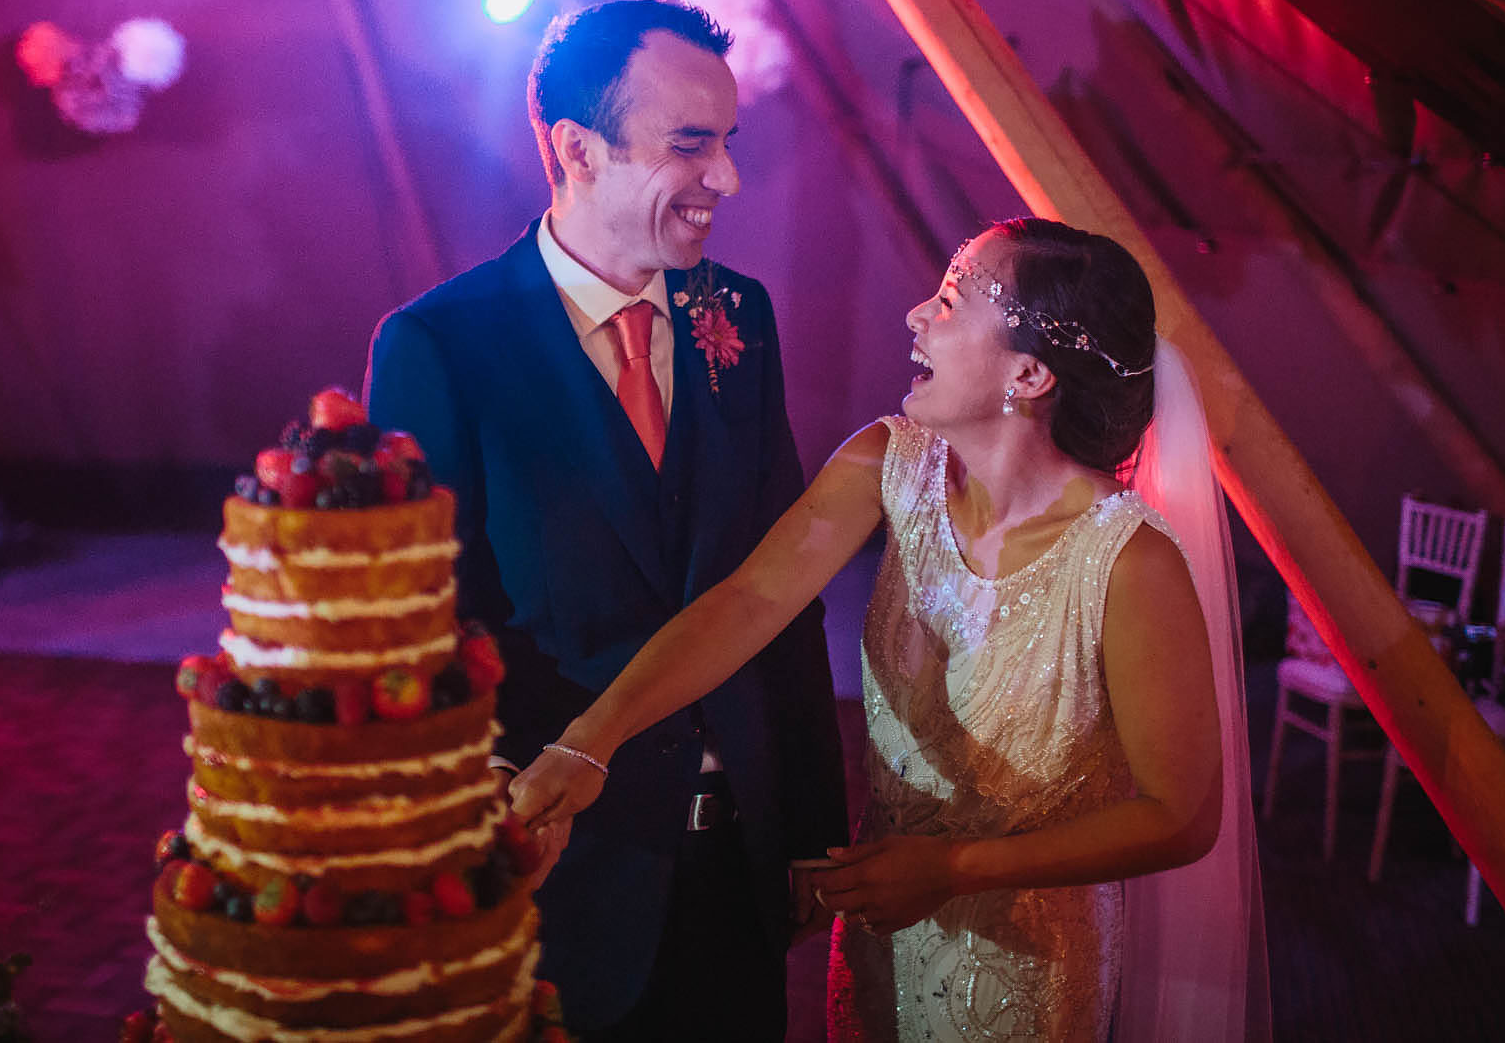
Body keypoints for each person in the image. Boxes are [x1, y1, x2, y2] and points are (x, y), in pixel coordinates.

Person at [512, 219, 1270, 1042]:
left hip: (1025, 969)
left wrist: (952, 869)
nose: (914, 315)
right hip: (880, 927)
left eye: (949, 300)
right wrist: (590, 738)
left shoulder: (1130, 562)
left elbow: (1182, 815)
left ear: (1028, 372)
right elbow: (747, 604)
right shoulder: (885, 462)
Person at [363, 0, 849, 1040]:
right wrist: (492, 806)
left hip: (738, 852)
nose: (723, 178)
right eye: (688, 145)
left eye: (727, 143)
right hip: (562, 871)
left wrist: (808, 821)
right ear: (575, 149)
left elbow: (781, 584)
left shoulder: (738, 316)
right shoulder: (442, 345)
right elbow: (421, 621)